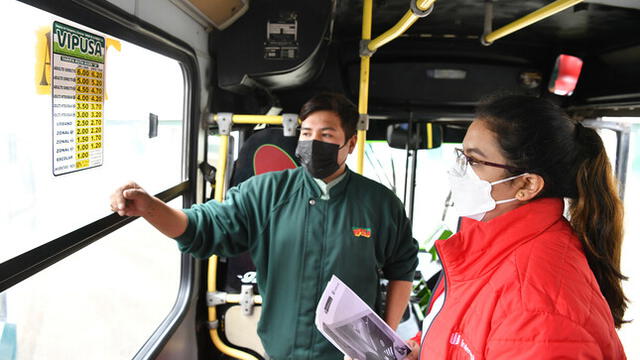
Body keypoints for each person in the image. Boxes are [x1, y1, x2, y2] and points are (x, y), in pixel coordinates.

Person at [110, 93, 419, 360]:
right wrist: (151, 208)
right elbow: (201, 227)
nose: (313, 142)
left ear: (350, 143)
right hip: (281, 350)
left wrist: (385, 342)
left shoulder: (380, 203)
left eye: (326, 135)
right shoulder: (266, 193)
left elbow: (402, 266)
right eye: (307, 133)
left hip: (352, 354)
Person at [406, 95, 627, 359]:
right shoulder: (482, 249)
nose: (457, 171)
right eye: (461, 156)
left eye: (474, 161)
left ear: (526, 185)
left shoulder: (537, 306)